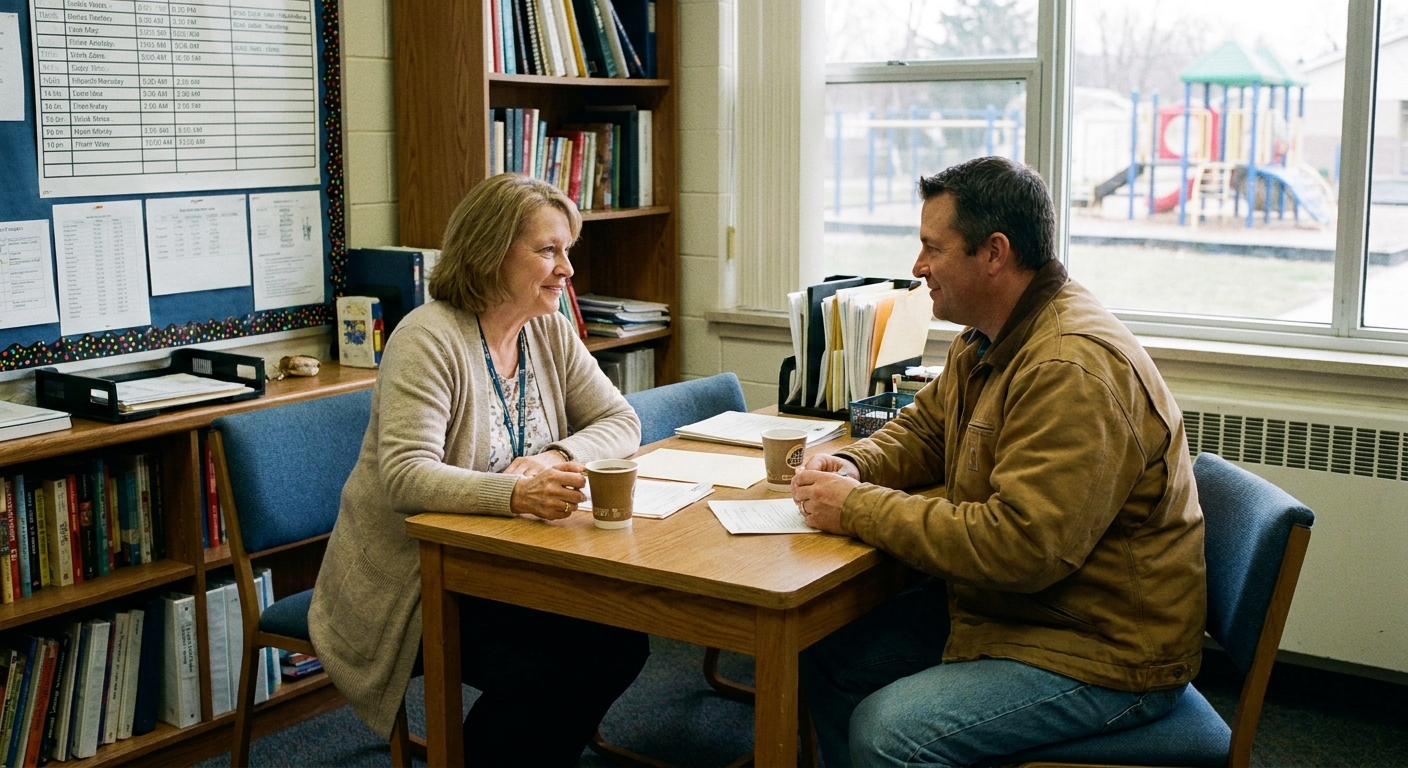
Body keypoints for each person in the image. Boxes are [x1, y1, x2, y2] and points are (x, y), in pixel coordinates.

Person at [791, 156, 1206, 767]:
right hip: (1025, 615)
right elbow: (928, 431)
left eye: (933, 248)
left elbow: (1021, 545)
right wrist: (857, 464)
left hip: (1103, 651)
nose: (918, 267)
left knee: (889, 732)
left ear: (994, 253)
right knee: (824, 653)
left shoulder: (1069, 367)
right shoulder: (989, 333)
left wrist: (858, 508)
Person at [309, 174, 648, 767]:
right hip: (416, 584)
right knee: (557, 666)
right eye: (548, 250)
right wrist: (517, 494)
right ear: (491, 254)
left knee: (620, 642)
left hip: (507, 564)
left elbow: (620, 420)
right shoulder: (428, 337)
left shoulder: (548, 328)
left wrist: (555, 457)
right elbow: (406, 478)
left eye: (567, 250)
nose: (566, 269)